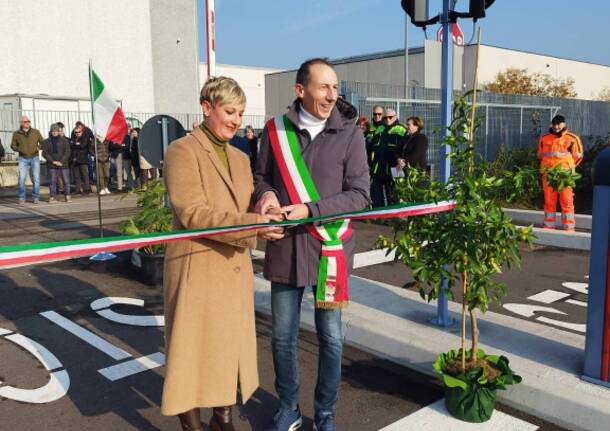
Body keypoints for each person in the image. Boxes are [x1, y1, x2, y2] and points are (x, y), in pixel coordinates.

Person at [253, 58, 369, 431]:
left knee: (331, 337)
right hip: (286, 248)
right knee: (283, 336)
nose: (332, 95)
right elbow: (260, 176)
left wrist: (310, 209)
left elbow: (360, 196)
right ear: (300, 90)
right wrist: (266, 196)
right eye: (323, 87)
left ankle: (324, 412)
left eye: (335, 87)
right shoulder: (275, 131)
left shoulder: (351, 134)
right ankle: (287, 406)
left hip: (328, 252)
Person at [161, 76, 283, 431]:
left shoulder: (240, 156)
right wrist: (254, 224)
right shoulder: (182, 150)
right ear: (206, 107)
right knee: (190, 354)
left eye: (241, 113)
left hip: (232, 269)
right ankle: (193, 427)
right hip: (194, 267)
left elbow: (243, 204)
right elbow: (193, 213)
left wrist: (267, 206)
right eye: (229, 111)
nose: (236, 120)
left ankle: (222, 420)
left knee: (226, 351)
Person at [538, 115, 583, 231]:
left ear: (564, 124)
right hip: (548, 176)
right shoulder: (544, 138)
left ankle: (569, 227)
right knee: (549, 201)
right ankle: (548, 226)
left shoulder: (573, 138)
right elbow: (540, 155)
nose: (556, 126)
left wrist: (568, 169)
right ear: (551, 125)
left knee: (567, 200)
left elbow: (578, 157)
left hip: (565, 176)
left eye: (559, 124)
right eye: (554, 124)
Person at [370, 108, 407, 206]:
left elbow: (405, 148)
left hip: (396, 167)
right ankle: (379, 217)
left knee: (395, 194)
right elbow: (373, 146)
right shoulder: (380, 128)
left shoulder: (402, 129)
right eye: (385, 117)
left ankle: (395, 219)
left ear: (396, 117)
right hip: (379, 166)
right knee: (376, 193)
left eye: (390, 117)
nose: (387, 119)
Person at [11, 116, 44, 205]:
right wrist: (19, 149)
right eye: (25, 121)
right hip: (22, 158)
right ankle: (21, 198)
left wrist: (39, 147)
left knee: (36, 178)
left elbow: (43, 142)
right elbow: (13, 145)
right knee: (21, 179)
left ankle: (36, 197)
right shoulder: (16, 133)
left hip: (34, 157)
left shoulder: (36, 132)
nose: (27, 123)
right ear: (21, 123)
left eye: (28, 121)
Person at [42, 124, 71, 203]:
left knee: (66, 181)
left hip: (63, 164)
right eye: (53, 131)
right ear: (50, 132)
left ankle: (67, 196)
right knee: (52, 182)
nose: (54, 132)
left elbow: (67, 152)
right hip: (52, 164)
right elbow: (45, 153)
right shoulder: (46, 142)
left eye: (56, 131)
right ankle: (52, 197)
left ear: (59, 131)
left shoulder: (64, 141)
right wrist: (53, 161)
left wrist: (61, 161)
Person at [70, 126, 91, 194]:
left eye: (79, 132)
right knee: (77, 176)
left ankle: (87, 189)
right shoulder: (73, 139)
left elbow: (82, 145)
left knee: (84, 175)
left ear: (81, 132)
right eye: (76, 132)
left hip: (82, 159)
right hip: (75, 159)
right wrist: (75, 144)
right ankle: (78, 189)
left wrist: (74, 144)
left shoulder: (84, 138)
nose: (77, 133)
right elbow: (71, 146)